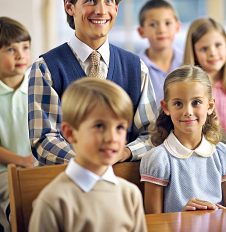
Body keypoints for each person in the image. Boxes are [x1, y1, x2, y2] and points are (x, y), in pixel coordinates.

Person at [28, 0, 157, 166]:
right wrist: (88, 162)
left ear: (116, 8)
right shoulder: (46, 68)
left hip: (122, 183)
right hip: (65, 185)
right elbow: (44, 139)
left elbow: (152, 133)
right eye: (90, 0)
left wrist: (123, 153)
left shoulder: (136, 67)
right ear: (69, 7)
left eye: (108, 1)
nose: (101, 11)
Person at [29, 77, 147, 231]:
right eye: (99, 126)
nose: (112, 138)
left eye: (119, 127)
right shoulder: (53, 200)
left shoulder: (130, 195)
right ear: (70, 133)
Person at [140, 64, 226, 213]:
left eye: (196, 103)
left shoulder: (222, 154)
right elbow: (153, 223)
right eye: (178, 104)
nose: (187, 111)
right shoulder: (158, 159)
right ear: (166, 107)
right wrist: (183, 218)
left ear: (210, 105)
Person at [0, 17, 33, 232]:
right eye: (10, 49)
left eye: (25, 47)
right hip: (1, 171)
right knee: (17, 201)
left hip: (37, 164)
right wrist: (24, 161)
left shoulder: (38, 87)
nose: (21, 55)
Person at [183, 17, 226, 133]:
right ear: (193, 52)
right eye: (204, 48)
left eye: (218, 45)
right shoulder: (187, 89)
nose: (212, 53)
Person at [137, 0, 182, 108]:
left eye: (167, 23)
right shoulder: (136, 67)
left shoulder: (189, 61)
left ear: (177, 27)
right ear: (141, 32)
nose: (161, 30)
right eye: (153, 24)